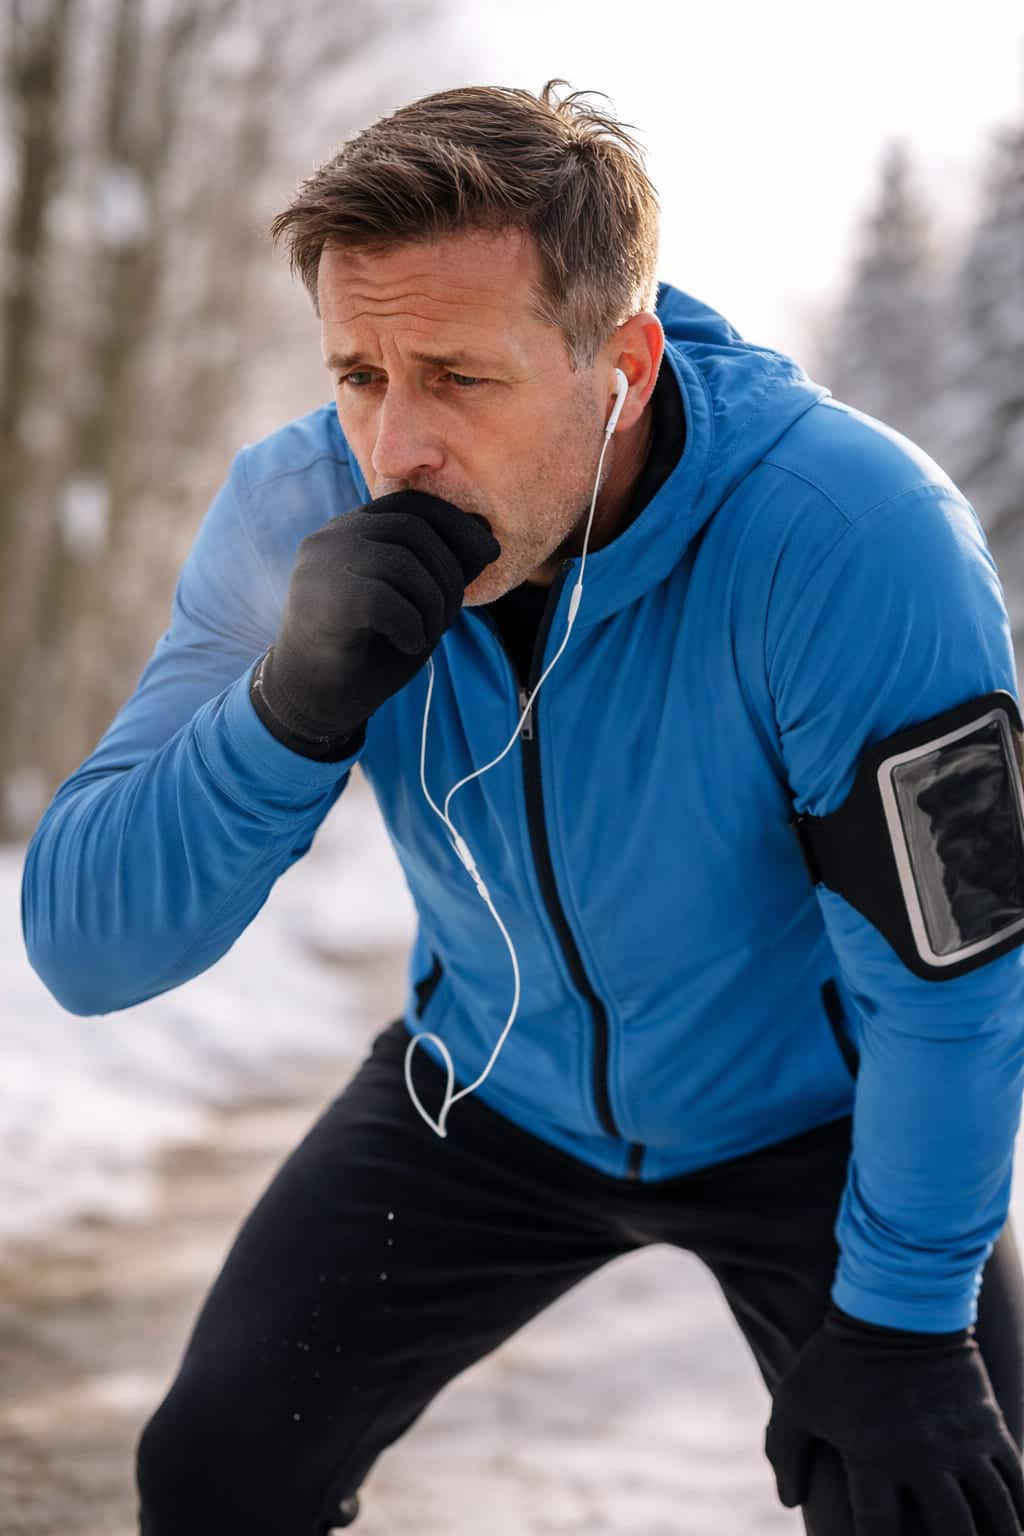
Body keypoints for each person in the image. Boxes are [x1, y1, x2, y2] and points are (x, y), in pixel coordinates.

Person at [21, 81, 1024, 1536]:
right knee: (212, 1473)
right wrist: (283, 716)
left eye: (459, 377)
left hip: (816, 1120)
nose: (394, 449)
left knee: (955, 1495)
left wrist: (908, 1323)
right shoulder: (292, 513)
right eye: (359, 374)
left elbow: (956, 972)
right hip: (480, 1095)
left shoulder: (855, 542)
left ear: (620, 361)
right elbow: (83, 949)